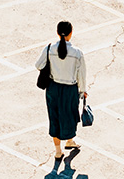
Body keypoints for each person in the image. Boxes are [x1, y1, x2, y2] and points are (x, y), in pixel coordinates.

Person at [35, 21, 86, 160]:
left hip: (53, 88)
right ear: (71, 33)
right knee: (70, 116)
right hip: (70, 89)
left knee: (55, 116)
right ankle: (69, 141)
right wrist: (83, 90)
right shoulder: (77, 52)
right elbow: (82, 74)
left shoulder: (49, 48)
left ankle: (58, 151)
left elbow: (38, 65)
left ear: (57, 33)